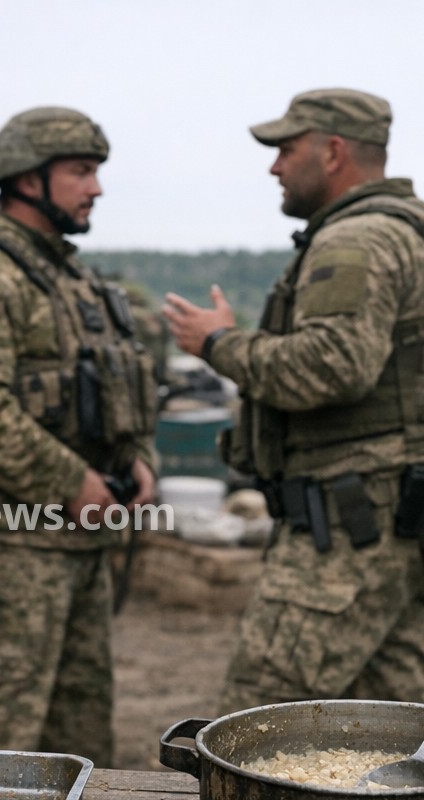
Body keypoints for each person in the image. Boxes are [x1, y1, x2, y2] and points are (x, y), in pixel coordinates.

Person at [163, 88, 424, 714]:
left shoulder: (354, 242)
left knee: (258, 719)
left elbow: (331, 367)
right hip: (391, 519)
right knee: (386, 726)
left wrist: (219, 343)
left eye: (285, 149)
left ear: (333, 152)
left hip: (346, 526)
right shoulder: (404, 234)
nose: (274, 166)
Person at [0, 107, 159, 765]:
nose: (96, 188)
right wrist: (70, 481)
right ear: (26, 178)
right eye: (81, 172)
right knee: (3, 740)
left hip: (80, 539)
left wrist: (137, 459)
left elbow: (111, 390)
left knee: (82, 739)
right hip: (9, 545)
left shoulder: (68, 276)